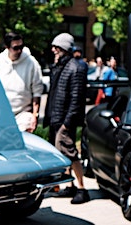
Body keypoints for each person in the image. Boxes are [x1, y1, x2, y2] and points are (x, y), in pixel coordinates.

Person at [44, 32, 90, 204]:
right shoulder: (61, 67)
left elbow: (77, 99)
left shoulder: (75, 68)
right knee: (62, 154)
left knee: (71, 153)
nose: (53, 50)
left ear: (64, 48)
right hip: (57, 117)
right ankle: (70, 186)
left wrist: (67, 124)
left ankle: (82, 189)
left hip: (65, 120)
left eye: (56, 47)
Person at [0, 32, 44, 133]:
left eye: (21, 46)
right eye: (16, 48)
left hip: (24, 113)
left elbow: (37, 91)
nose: (19, 50)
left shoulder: (31, 63)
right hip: (2, 114)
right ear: (7, 47)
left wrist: (35, 115)